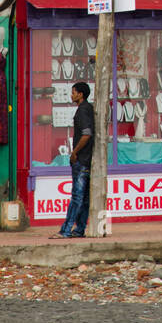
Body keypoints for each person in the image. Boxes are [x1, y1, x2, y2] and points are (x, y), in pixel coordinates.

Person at [56, 82, 94, 238]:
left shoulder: (82, 111)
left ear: (80, 94)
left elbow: (86, 134)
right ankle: (79, 230)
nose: (71, 95)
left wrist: (74, 152)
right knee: (84, 198)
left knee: (77, 197)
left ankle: (66, 230)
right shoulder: (89, 109)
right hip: (87, 159)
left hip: (81, 159)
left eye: (73, 92)